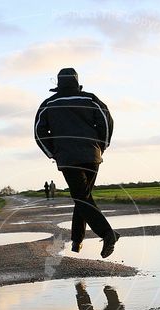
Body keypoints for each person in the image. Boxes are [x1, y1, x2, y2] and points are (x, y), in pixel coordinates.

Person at [34, 68, 119, 258]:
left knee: (81, 197)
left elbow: (39, 133)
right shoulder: (90, 99)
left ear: (58, 84)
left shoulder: (49, 104)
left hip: (68, 158)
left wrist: (53, 153)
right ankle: (77, 240)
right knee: (83, 196)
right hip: (92, 155)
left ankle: (108, 234)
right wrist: (101, 146)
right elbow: (106, 122)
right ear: (76, 82)